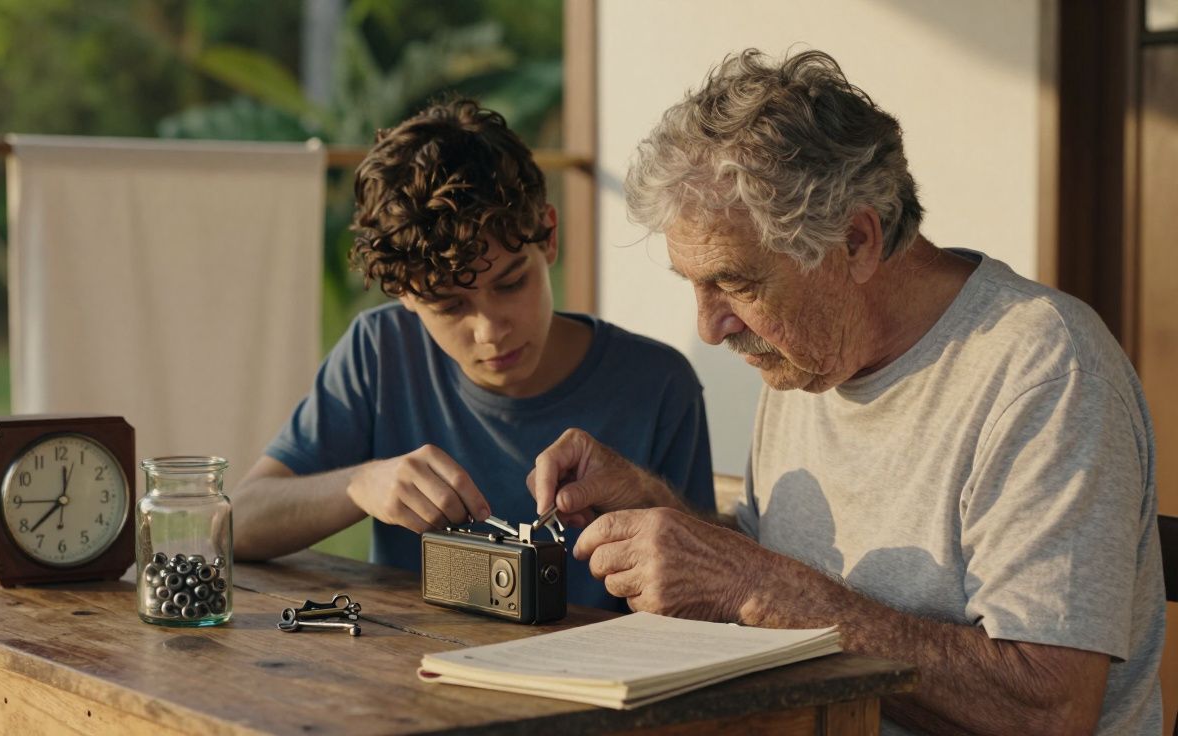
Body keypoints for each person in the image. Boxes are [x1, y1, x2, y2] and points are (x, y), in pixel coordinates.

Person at [528, 50, 1162, 734]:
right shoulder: (807, 356)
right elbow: (774, 587)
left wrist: (751, 586)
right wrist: (659, 515)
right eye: (696, 285)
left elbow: (1049, 710)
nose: (710, 327)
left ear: (857, 241)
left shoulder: (1043, 369)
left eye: (735, 282)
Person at [231, 99, 715, 612]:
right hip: (411, 657)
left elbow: (708, 580)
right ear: (405, 295)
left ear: (549, 237)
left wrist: (645, 496)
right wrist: (359, 484)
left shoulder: (658, 384)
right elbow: (238, 521)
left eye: (511, 284)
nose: (490, 331)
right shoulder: (380, 352)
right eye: (448, 305)